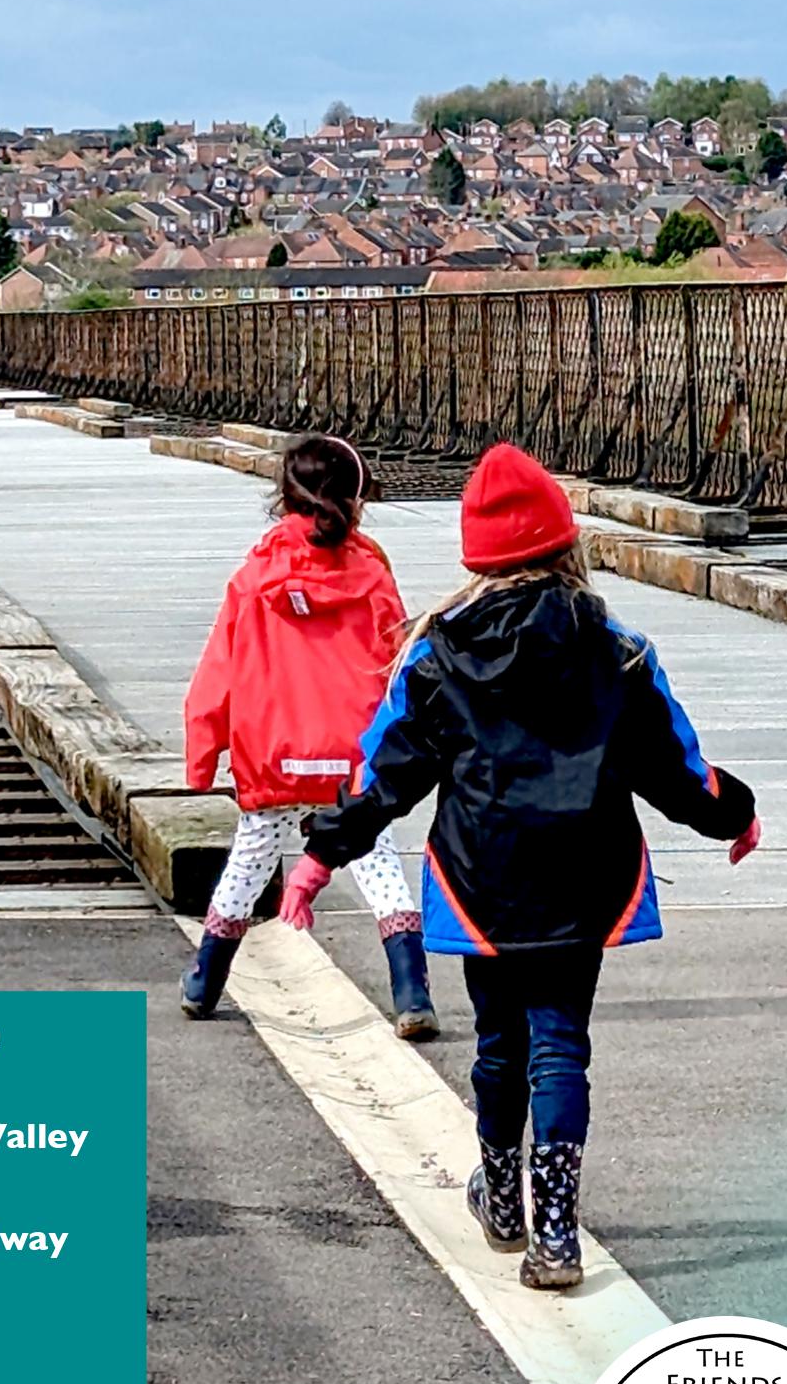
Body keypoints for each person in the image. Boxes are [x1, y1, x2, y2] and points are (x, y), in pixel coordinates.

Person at [281, 442, 759, 1290]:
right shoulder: (617, 649)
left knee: (497, 1044)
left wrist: (320, 854)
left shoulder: (433, 655)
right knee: (559, 1044)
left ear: (476, 554)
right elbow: (674, 767)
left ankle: (500, 1198)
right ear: (563, 543)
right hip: (584, 876)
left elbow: (382, 776)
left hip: (479, 882)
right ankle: (557, 1230)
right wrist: (735, 812)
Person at [181, 432, 438, 1035]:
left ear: (284, 497)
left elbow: (216, 672)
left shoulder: (253, 579)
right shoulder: (372, 576)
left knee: (247, 865)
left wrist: (201, 757)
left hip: (273, 754)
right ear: (355, 501)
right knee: (377, 864)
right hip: (351, 758)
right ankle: (410, 991)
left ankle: (205, 978)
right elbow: (399, 665)